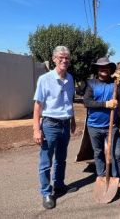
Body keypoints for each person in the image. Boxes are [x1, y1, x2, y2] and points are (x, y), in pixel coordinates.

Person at [33, 46, 77, 209]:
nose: (64, 60)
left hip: (65, 124)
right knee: (46, 162)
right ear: (54, 59)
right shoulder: (44, 79)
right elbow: (38, 106)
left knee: (61, 158)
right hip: (50, 124)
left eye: (67, 58)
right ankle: (46, 192)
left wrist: (72, 120)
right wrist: (36, 129)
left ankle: (59, 185)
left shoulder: (70, 78)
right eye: (61, 57)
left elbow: (69, 101)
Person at [83, 57, 120, 188]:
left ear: (110, 69)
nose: (103, 69)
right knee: (98, 152)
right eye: (101, 67)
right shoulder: (91, 83)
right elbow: (87, 102)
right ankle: (101, 176)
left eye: (106, 67)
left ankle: (118, 178)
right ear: (97, 69)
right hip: (94, 126)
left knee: (117, 153)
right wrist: (105, 104)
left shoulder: (115, 83)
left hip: (112, 126)